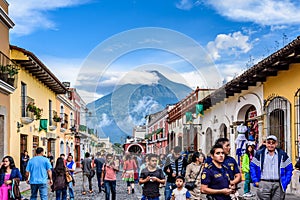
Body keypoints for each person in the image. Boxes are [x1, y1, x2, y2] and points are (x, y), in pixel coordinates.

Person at [250, 135, 293, 200]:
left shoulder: (282, 154)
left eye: (273, 143)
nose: (271, 145)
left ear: (276, 144)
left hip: (278, 184)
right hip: (263, 184)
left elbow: (289, 168)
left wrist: (286, 181)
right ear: (266, 143)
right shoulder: (260, 154)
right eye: (269, 142)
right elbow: (252, 166)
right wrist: (255, 180)